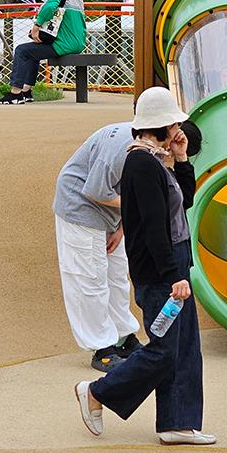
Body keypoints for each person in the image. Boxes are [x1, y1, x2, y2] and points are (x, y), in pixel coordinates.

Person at [75, 87, 214, 446]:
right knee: (164, 350)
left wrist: (181, 159)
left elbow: (185, 201)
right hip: (159, 271)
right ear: (163, 125)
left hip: (173, 261)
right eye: (175, 125)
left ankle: (178, 422)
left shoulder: (156, 161)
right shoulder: (141, 163)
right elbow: (154, 228)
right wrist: (173, 277)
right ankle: (97, 392)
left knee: (184, 346)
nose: (178, 131)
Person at [53, 121, 144, 373]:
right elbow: (95, 190)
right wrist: (137, 206)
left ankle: (124, 337)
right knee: (89, 278)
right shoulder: (121, 147)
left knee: (117, 275)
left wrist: (121, 227)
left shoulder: (155, 147)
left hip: (112, 212)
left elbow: (135, 192)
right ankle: (102, 347)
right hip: (80, 205)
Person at [0, 0, 86, 105]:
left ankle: (15, 93)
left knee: (21, 50)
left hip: (64, 44)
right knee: (32, 52)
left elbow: (49, 7)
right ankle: (26, 91)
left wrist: (37, 25)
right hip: (77, 43)